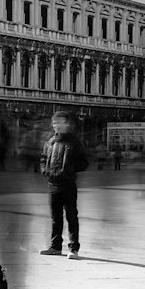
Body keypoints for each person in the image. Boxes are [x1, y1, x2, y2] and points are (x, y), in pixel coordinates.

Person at [39, 110, 89, 259]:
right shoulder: (50, 142)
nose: (56, 126)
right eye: (54, 123)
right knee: (55, 218)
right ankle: (55, 247)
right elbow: (43, 158)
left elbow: (84, 162)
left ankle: (73, 248)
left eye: (59, 123)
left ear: (67, 124)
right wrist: (45, 170)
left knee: (71, 217)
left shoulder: (74, 142)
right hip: (52, 184)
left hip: (68, 184)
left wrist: (69, 170)